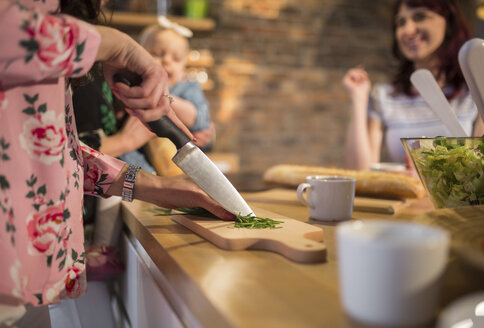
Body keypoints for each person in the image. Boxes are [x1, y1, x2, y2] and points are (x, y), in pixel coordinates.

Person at [0, 0, 233, 325]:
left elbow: (54, 150)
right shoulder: (47, 28)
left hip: (31, 275)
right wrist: (117, 45)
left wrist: (155, 187)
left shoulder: (60, 29)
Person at [343, 0, 484, 171]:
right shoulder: (386, 96)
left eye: (420, 17)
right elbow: (361, 172)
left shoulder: (472, 92)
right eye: (401, 22)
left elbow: (479, 170)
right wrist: (358, 99)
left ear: (449, 21)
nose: (408, 30)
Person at [139, 24, 215, 151]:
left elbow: (199, 121)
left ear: (183, 66)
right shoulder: (135, 86)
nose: (167, 61)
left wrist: (163, 97)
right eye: (157, 54)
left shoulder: (188, 87)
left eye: (176, 58)